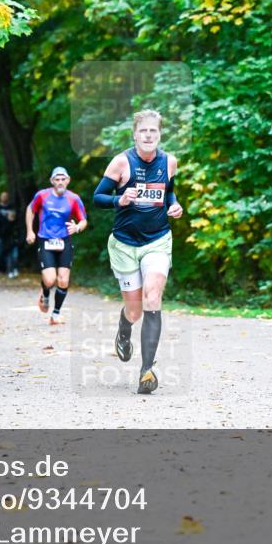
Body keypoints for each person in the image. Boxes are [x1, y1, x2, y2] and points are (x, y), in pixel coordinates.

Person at [92, 110, 183, 394]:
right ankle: (124, 327)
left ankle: (147, 371)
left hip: (157, 239)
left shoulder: (169, 162)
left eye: (153, 131)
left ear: (159, 135)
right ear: (134, 134)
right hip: (124, 243)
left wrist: (175, 205)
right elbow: (97, 198)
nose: (148, 135)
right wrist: (120, 198)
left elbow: (169, 192)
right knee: (134, 310)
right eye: (143, 131)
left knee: (152, 297)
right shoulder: (121, 162)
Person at [26, 167, 88, 325]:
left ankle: (55, 314)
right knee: (50, 279)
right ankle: (45, 293)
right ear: (52, 181)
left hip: (64, 241)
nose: (60, 182)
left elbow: (83, 220)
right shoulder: (42, 195)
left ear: (68, 180)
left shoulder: (73, 198)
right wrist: (30, 232)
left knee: (63, 280)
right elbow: (30, 209)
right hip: (45, 240)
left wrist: (77, 227)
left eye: (63, 179)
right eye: (57, 179)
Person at [0, 191, 19, 278]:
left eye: (6, 196)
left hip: (9, 234)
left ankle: (9, 269)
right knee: (0, 252)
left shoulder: (11, 208)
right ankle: (1, 268)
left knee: (9, 253)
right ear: (0, 197)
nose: (4, 198)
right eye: (3, 196)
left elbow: (15, 220)